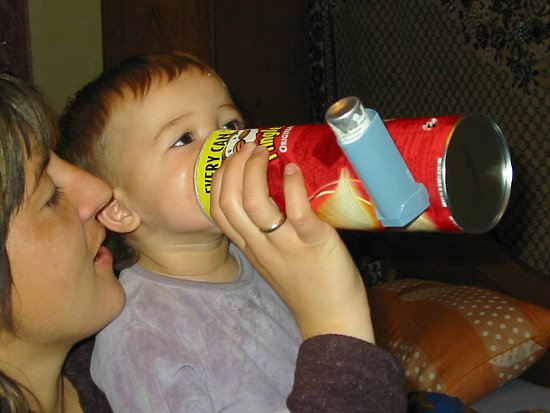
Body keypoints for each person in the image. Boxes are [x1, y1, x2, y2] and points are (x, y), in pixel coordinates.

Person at [0, 63, 406, 413]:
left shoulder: (256, 259)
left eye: (230, 126)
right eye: (48, 195)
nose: (225, 146)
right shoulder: (144, 341)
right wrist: (335, 322)